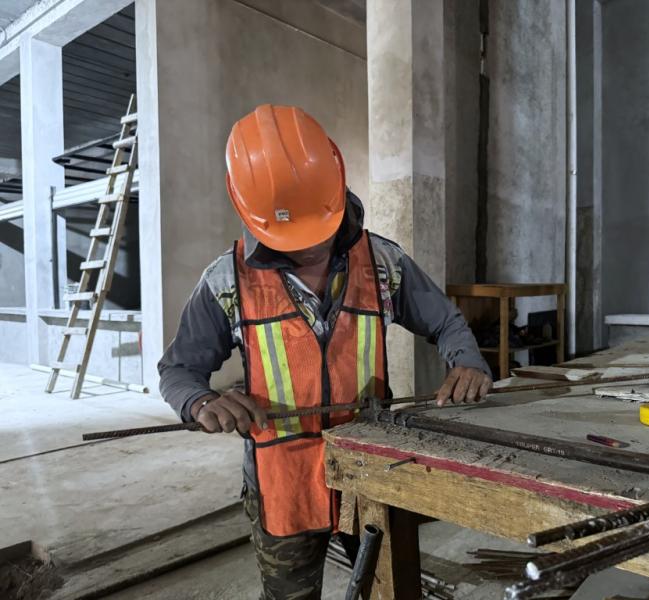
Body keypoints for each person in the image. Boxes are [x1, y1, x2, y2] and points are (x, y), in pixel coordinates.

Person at [158, 104, 492, 600]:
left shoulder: (382, 263)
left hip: (370, 474)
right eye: (294, 237)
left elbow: (445, 320)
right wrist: (201, 402)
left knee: (385, 589)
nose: (312, 247)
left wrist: (466, 359)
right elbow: (178, 370)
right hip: (282, 483)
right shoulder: (227, 281)